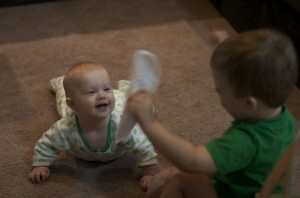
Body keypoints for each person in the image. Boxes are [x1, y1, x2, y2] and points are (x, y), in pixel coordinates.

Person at [126, 28, 298, 197]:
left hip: (239, 193)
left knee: (181, 178)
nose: (217, 91)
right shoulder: (280, 114)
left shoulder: (246, 141)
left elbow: (192, 160)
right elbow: (252, 70)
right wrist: (226, 48)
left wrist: (149, 122)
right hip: (248, 183)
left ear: (248, 103)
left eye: (220, 91)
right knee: (167, 175)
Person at [28, 62, 159, 191]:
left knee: (141, 107)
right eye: (91, 92)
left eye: (107, 89)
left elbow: (144, 146)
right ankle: (60, 84)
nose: (102, 95)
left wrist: (150, 173)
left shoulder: (123, 124)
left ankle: (126, 86)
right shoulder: (65, 128)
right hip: (73, 111)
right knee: (63, 100)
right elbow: (47, 144)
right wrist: (41, 164)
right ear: (73, 105)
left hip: (121, 102)